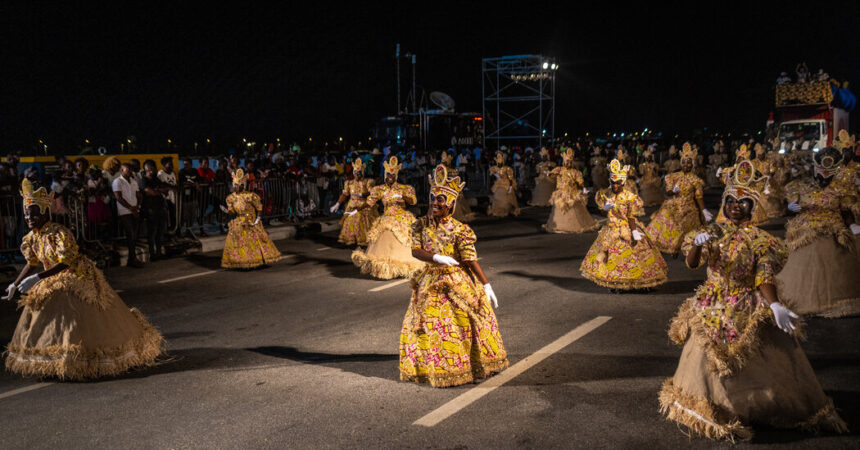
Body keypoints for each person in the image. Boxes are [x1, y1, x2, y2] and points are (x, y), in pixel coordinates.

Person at [659, 158, 847, 441]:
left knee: (757, 364)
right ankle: (714, 407)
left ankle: (752, 408)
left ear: (753, 206)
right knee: (705, 364)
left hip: (745, 305)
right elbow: (693, 265)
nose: (735, 205)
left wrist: (774, 305)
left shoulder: (760, 241)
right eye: (731, 200)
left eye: (743, 201)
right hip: (712, 303)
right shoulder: (713, 234)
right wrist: (697, 246)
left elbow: (764, 277)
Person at [3, 179, 163, 380]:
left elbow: (66, 262)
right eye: (26, 214)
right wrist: (15, 283)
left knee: (75, 315)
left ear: (45, 212)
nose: (29, 218)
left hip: (76, 275)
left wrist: (36, 277)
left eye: (33, 213)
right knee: (43, 313)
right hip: (51, 277)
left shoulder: (59, 233)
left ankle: (82, 360)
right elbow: (32, 261)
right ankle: (56, 361)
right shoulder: (31, 238)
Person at [399, 165, 508, 387]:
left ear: (451, 203)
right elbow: (415, 250)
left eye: (441, 199)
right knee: (428, 323)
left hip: (457, 281)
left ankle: (465, 365)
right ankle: (431, 367)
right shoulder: (420, 225)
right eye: (432, 197)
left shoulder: (460, 230)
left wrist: (486, 285)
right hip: (430, 281)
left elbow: (469, 259)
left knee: (462, 323)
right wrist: (436, 257)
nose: (435, 202)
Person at [775, 146, 860, 317]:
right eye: (821, 170)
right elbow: (788, 205)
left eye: (829, 172)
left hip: (834, 233)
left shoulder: (841, 189)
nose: (824, 176)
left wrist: (852, 226)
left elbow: (846, 211)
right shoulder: (801, 187)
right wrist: (790, 208)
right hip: (804, 234)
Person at [580, 158, 668, 291]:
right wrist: (605, 208)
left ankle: (639, 283)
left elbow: (631, 216)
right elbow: (605, 214)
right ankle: (615, 283)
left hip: (627, 229)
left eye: (618, 183)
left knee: (636, 255)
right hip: (611, 229)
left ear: (623, 182)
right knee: (608, 256)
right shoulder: (606, 194)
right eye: (613, 182)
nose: (615, 186)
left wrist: (634, 231)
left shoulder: (629, 197)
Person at [351, 156, 424, 279]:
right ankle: (387, 268)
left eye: (393, 175)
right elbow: (370, 202)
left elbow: (413, 201)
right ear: (385, 175)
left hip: (402, 218)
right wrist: (357, 208)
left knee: (406, 240)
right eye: (388, 175)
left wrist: (402, 197)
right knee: (383, 243)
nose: (390, 178)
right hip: (387, 217)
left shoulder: (404, 188)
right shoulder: (379, 189)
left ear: (396, 176)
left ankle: (403, 266)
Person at [645, 143, 712, 256]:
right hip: (674, 203)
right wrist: (673, 191)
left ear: (692, 164)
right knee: (665, 215)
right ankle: (667, 246)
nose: (686, 164)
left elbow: (699, 197)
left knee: (685, 223)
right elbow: (668, 191)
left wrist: (704, 210)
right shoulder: (674, 176)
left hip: (689, 206)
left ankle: (681, 247)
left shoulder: (696, 180)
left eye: (688, 162)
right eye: (684, 162)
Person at [220, 169, 282, 269]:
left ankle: (255, 261)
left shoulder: (251, 196)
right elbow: (232, 211)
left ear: (242, 185)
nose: (235, 187)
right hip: (239, 222)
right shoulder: (231, 198)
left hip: (251, 221)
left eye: (237, 185)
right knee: (239, 243)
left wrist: (257, 218)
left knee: (252, 242)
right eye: (234, 185)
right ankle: (240, 261)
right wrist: (226, 211)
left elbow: (259, 207)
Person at [544, 148, 598, 233]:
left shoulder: (575, 172)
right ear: (564, 161)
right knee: (560, 209)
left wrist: (583, 188)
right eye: (567, 161)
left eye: (570, 161)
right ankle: (559, 226)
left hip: (572, 193)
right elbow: (551, 175)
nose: (568, 163)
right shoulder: (559, 169)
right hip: (561, 193)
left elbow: (580, 181)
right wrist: (550, 173)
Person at [330, 158, 379, 246]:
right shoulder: (349, 183)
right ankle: (353, 240)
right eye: (355, 172)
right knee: (350, 223)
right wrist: (337, 204)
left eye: (359, 172)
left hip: (363, 206)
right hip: (351, 205)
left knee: (361, 222)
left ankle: (364, 241)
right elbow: (345, 194)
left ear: (362, 172)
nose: (357, 174)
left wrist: (362, 195)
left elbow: (371, 192)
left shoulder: (367, 182)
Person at [112, 163, 143, 267]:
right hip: (125, 211)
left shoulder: (134, 181)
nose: (130, 171)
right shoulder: (117, 181)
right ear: (122, 170)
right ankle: (132, 259)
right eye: (127, 169)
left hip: (134, 210)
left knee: (134, 235)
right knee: (131, 234)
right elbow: (118, 197)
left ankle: (132, 258)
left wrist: (137, 206)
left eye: (131, 169)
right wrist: (131, 208)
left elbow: (138, 195)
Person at [140, 160, 169, 261]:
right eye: (153, 168)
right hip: (150, 209)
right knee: (152, 233)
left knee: (160, 232)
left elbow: (166, 190)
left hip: (160, 208)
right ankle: (152, 254)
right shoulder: (143, 180)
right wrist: (159, 190)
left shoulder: (156, 179)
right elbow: (149, 192)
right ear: (149, 169)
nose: (155, 170)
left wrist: (158, 190)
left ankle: (159, 252)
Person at [441, 151, 475, 222]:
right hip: (444, 189)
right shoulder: (440, 170)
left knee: (457, 198)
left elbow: (455, 179)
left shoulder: (453, 170)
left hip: (452, 188)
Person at [487, 151, 520, 217]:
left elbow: (510, 179)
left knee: (507, 198)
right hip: (498, 185)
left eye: (501, 162)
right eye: (498, 162)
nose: (499, 163)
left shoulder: (507, 168)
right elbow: (491, 177)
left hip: (506, 184)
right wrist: (494, 177)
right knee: (497, 197)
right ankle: (497, 209)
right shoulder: (494, 168)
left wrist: (510, 187)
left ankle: (507, 209)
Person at [157, 157, 177, 234]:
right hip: (165, 199)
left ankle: (172, 232)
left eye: (172, 163)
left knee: (173, 217)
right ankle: (165, 233)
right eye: (170, 164)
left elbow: (175, 184)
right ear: (164, 164)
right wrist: (173, 187)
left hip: (172, 198)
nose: (172, 165)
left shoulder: (172, 173)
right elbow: (162, 184)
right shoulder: (160, 173)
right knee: (166, 218)